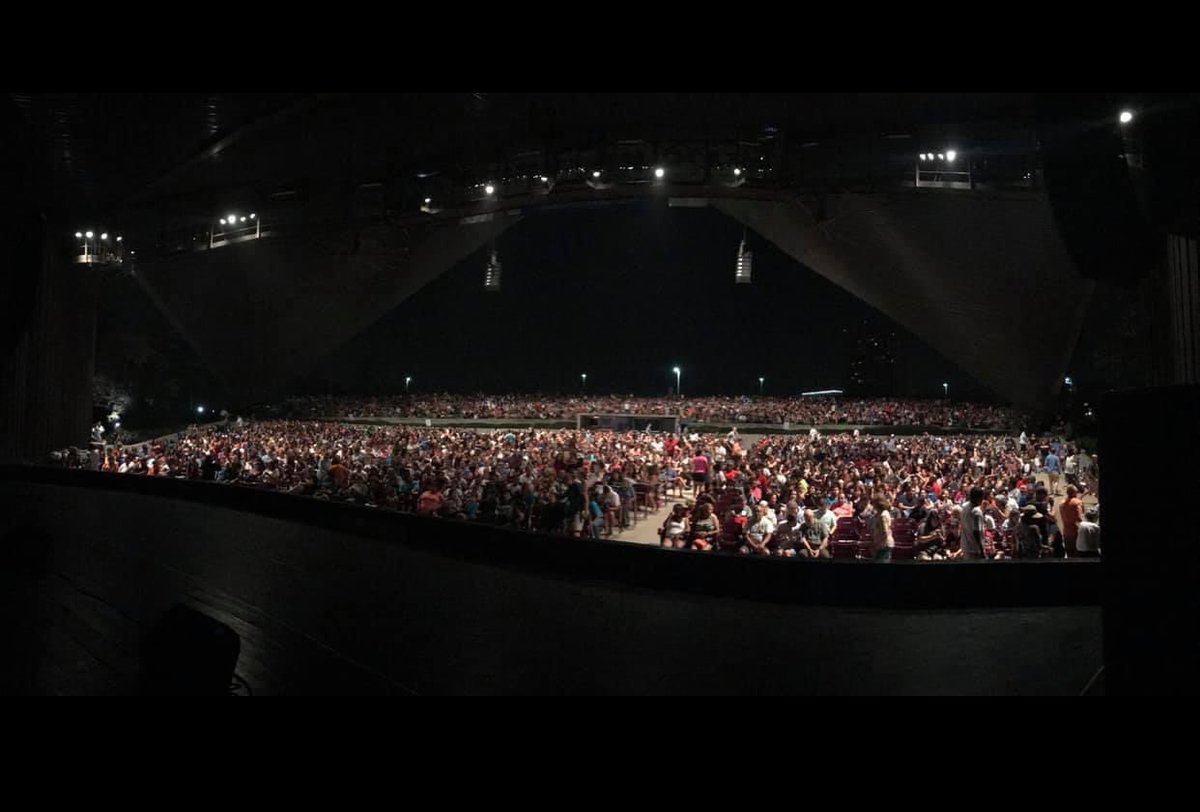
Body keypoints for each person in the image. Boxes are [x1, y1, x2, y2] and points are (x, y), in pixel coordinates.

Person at [960, 487, 988, 560]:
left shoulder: (964, 507)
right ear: (979, 497)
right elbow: (976, 531)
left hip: (965, 546)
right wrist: (981, 550)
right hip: (974, 549)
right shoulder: (977, 512)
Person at [868, 493, 895, 561]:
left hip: (883, 546)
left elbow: (885, 532)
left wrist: (877, 546)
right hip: (879, 544)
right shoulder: (878, 514)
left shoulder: (883, 515)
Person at [1059, 485, 1085, 557]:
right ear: (1074, 493)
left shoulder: (1061, 504)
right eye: (1076, 492)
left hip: (1066, 532)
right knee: (1078, 555)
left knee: (1069, 555)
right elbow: (1080, 518)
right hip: (1076, 533)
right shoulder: (1078, 503)